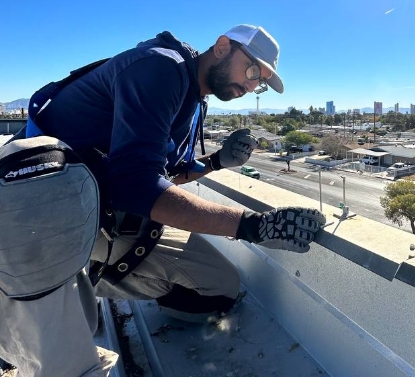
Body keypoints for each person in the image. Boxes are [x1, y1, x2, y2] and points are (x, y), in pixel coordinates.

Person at [0, 24, 326, 377]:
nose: (251, 86)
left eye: (259, 82)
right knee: (66, 364)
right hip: (38, 215)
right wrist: (252, 225)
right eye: (251, 71)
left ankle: (92, 275)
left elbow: (164, 174)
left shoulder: (192, 96)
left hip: (99, 212)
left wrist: (217, 161)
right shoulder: (159, 68)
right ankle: (59, 294)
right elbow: (136, 186)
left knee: (220, 289)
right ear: (221, 47)